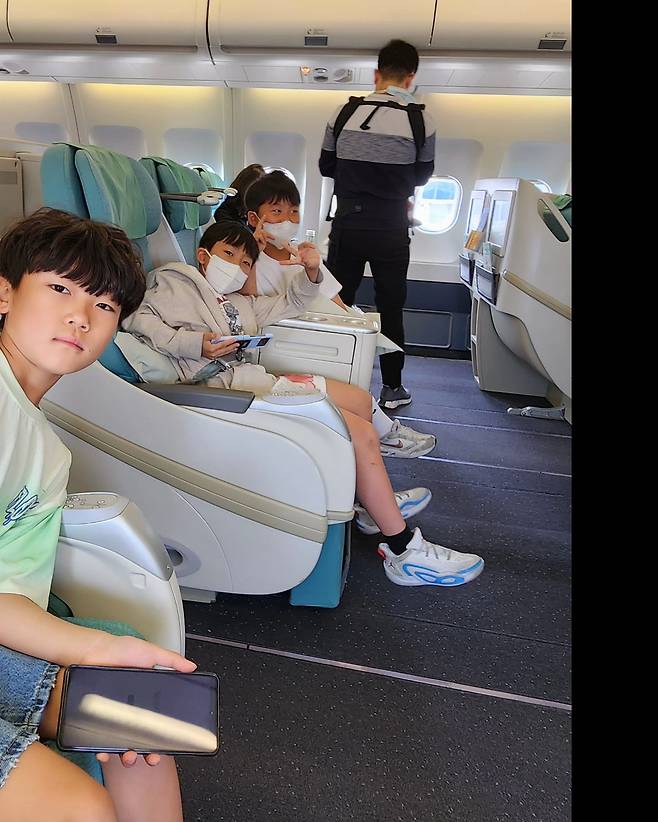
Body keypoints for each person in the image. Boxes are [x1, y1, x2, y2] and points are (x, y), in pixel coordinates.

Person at [123, 219, 484, 584]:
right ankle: (402, 552)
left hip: (249, 380)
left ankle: (369, 506)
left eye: (246, 262)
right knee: (359, 434)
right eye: (228, 254)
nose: (236, 267)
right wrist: (194, 344)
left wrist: (312, 271)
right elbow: (139, 319)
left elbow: (292, 301)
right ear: (203, 256)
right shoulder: (177, 282)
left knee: (359, 401)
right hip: (221, 391)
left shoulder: (239, 303)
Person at [0, 207, 197, 821]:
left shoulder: (33, 430)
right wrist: (90, 648)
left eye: (104, 304)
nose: (80, 316)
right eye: (60, 288)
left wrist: (100, 654)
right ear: (4, 294)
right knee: (79, 807)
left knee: (146, 712)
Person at [243, 170, 437, 459]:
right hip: (283, 341)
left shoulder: (304, 254)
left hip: (314, 335)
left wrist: (352, 323)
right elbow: (247, 304)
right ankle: (385, 434)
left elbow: (335, 302)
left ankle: (379, 433)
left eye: (293, 211)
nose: (287, 220)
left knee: (357, 348)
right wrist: (253, 253)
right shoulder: (250, 260)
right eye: (276, 211)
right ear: (254, 218)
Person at [319, 39, 437, 410]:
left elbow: (326, 166)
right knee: (390, 309)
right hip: (391, 226)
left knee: (337, 304)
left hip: (349, 223)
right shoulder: (421, 120)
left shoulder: (343, 112)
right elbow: (422, 176)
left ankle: (331, 380)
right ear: (411, 77)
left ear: (376, 74)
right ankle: (392, 389)